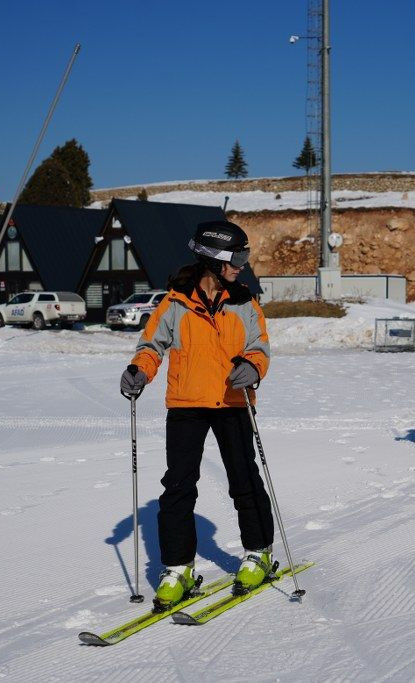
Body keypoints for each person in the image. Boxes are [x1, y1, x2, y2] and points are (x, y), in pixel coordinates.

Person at [119, 220, 274, 610]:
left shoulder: (244, 302)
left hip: (233, 402)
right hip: (187, 405)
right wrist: (140, 369)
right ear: (214, 259)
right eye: (236, 257)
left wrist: (253, 367)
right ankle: (177, 568)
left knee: (243, 479)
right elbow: (152, 345)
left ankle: (258, 551)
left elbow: (260, 347)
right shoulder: (174, 303)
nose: (242, 265)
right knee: (178, 488)